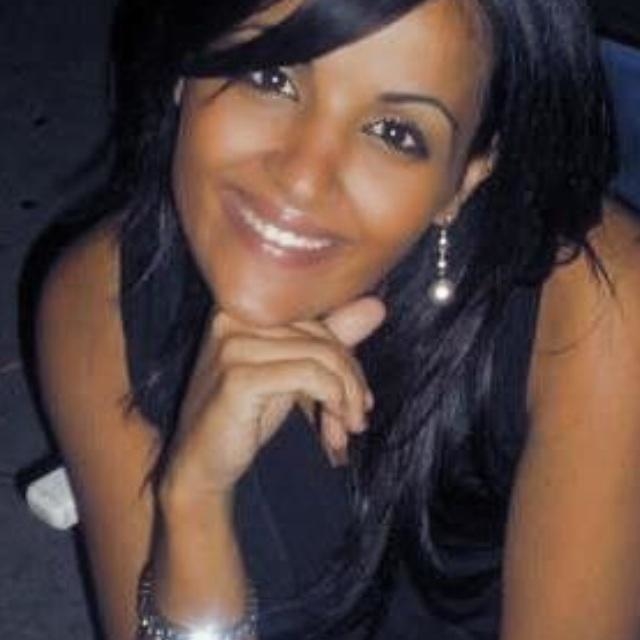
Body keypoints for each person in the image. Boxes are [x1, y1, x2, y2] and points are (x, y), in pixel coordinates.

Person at [31, 0, 640, 638]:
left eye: (395, 133)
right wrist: (192, 506)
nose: (302, 178)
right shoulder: (96, 302)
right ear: (188, 58)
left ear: (463, 178)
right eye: (271, 76)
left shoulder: (591, 311)